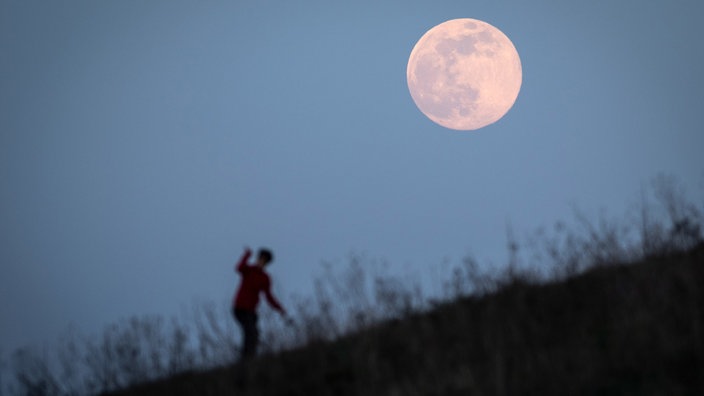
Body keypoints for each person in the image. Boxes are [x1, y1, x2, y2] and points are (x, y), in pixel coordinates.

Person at [231, 247, 288, 361]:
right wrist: (247, 255)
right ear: (257, 258)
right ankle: (246, 360)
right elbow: (239, 268)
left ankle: (249, 360)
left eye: (264, 260)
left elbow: (269, 297)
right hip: (240, 308)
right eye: (260, 258)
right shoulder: (249, 270)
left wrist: (280, 308)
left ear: (266, 263)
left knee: (254, 335)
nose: (261, 261)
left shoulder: (265, 278)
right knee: (250, 331)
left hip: (251, 311)